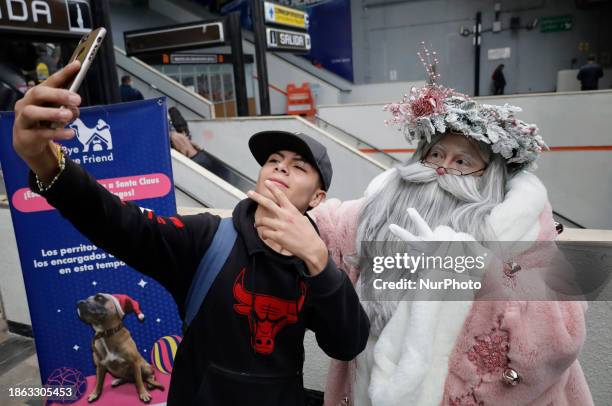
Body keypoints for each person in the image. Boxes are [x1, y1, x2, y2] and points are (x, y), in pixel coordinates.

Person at [12, 61, 369, 405]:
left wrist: (320, 262)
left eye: (299, 166)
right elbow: (119, 222)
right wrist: (43, 160)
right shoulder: (208, 238)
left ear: (318, 197)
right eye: (273, 160)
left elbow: (347, 344)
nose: (280, 167)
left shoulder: (316, 262)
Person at [309, 62, 593, 405]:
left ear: (487, 177)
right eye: (436, 155)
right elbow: (327, 227)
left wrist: (472, 266)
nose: (443, 168)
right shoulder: (381, 211)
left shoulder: (521, 231)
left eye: (463, 162)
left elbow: (562, 333)